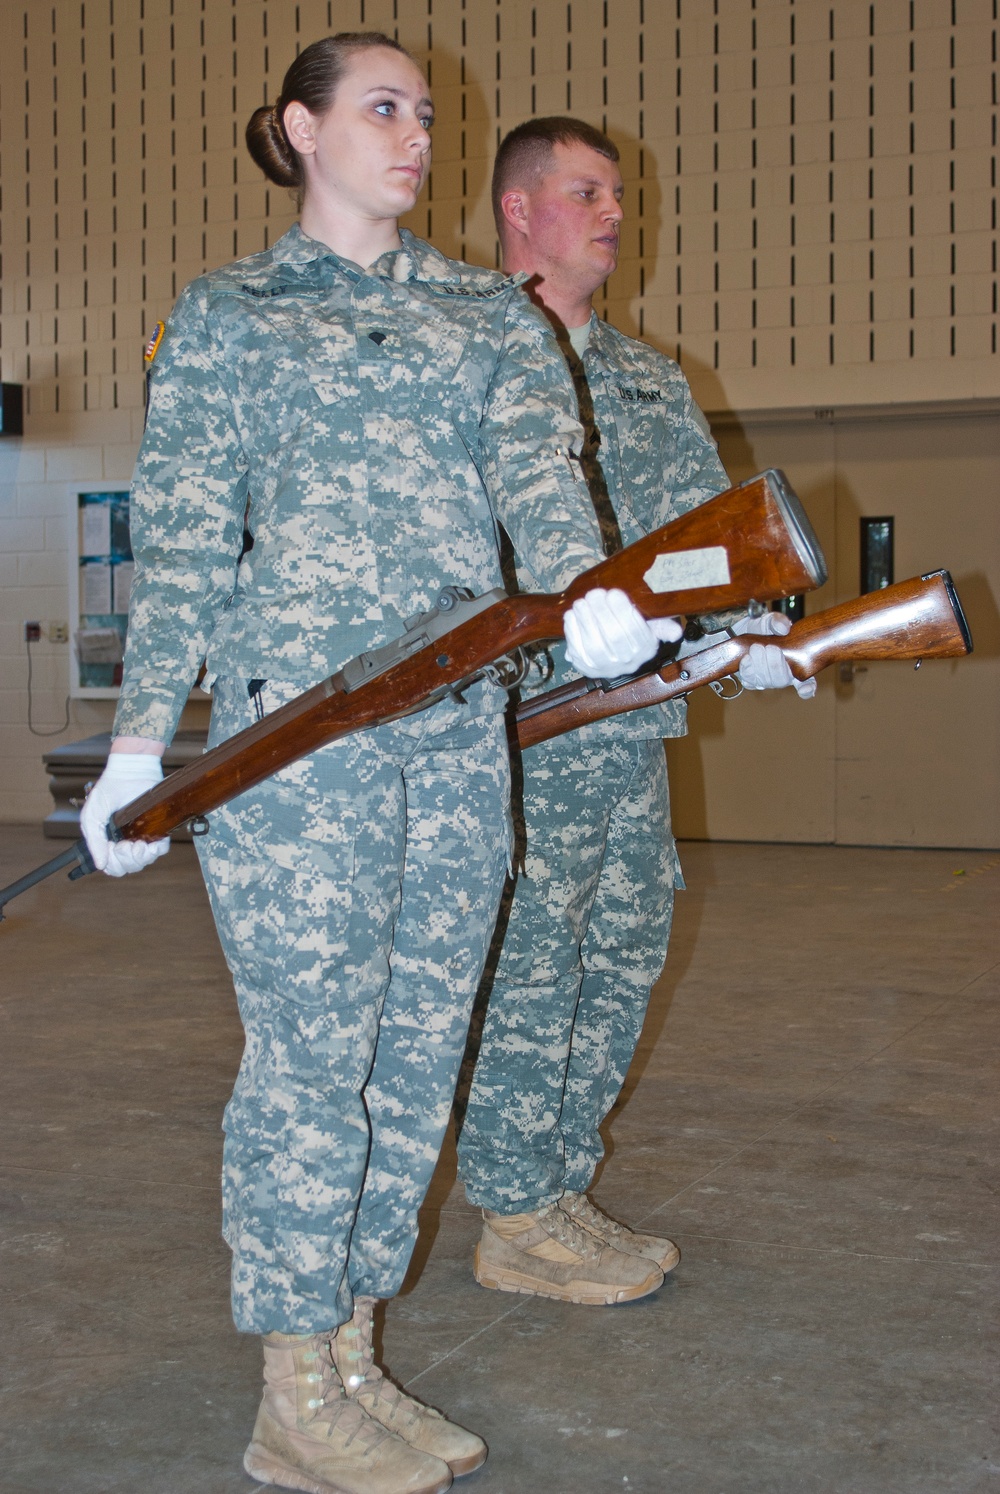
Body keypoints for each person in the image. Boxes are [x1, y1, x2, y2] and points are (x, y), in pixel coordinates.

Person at [79, 49, 678, 1494]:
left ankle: (349, 1355)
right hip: (298, 751)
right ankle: (293, 1387)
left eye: (424, 114)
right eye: (385, 111)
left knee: (415, 1061)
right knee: (311, 1066)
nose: (417, 136)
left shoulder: (485, 315)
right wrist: (140, 737)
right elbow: (184, 533)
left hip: (458, 739)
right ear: (304, 133)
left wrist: (584, 593)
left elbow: (542, 480)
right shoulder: (232, 314)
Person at [457, 118, 815, 1307]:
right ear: (519, 208)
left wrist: (746, 643)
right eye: (586, 191)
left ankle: (558, 1187)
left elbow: (706, 557)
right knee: (530, 961)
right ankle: (510, 1209)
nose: (614, 210)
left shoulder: (649, 381)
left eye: (618, 192)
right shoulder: (458, 359)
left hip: (634, 728)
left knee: (620, 951)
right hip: (524, 729)